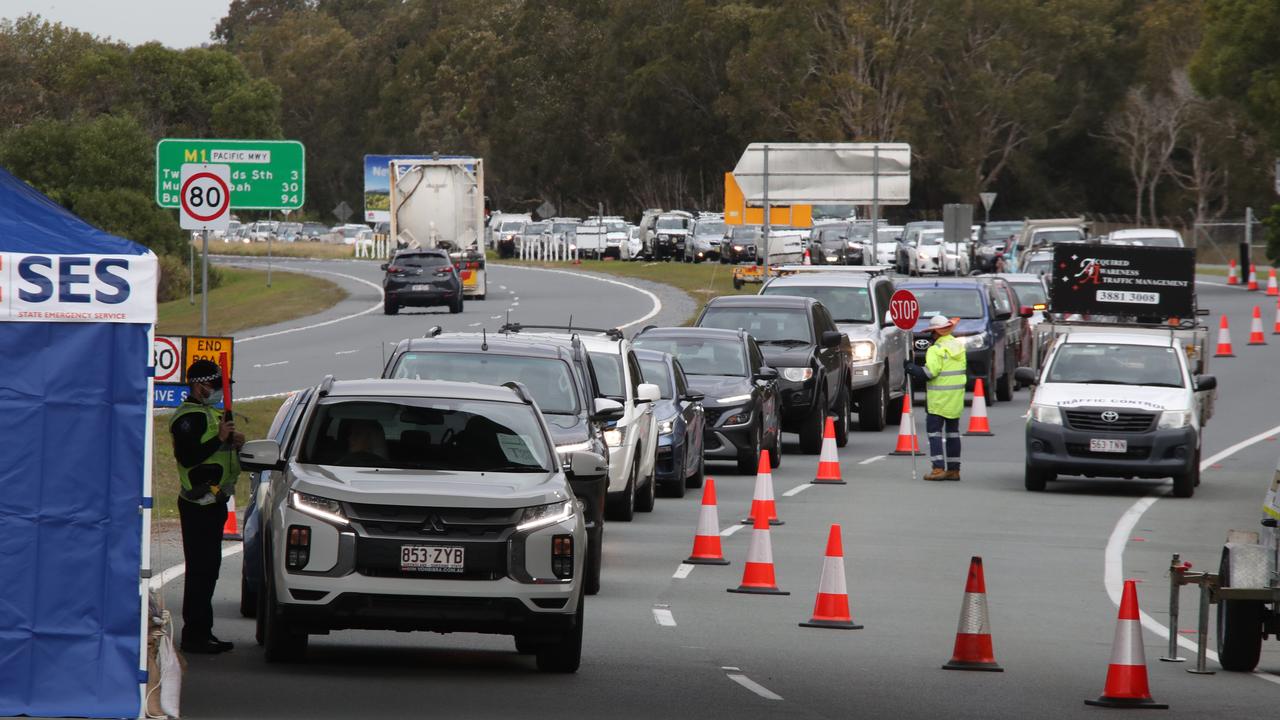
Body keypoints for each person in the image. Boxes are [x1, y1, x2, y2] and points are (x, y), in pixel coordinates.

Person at [170, 359, 244, 654]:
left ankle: (204, 630)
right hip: (197, 504)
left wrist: (234, 443)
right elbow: (189, 457)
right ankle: (194, 636)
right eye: (215, 387)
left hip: (214, 503)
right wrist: (219, 439)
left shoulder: (210, 415)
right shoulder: (189, 418)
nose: (218, 393)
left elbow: (217, 454)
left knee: (209, 570)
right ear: (199, 386)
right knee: (200, 571)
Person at [905, 315, 967, 481]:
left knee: (935, 434)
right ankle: (954, 470)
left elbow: (929, 373)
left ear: (936, 333)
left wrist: (912, 368)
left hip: (938, 400)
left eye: (932, 333)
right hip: (955, 399)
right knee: (953, 434)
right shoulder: (959, 347)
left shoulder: (935, 350)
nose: (931, 336)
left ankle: (938, 469)